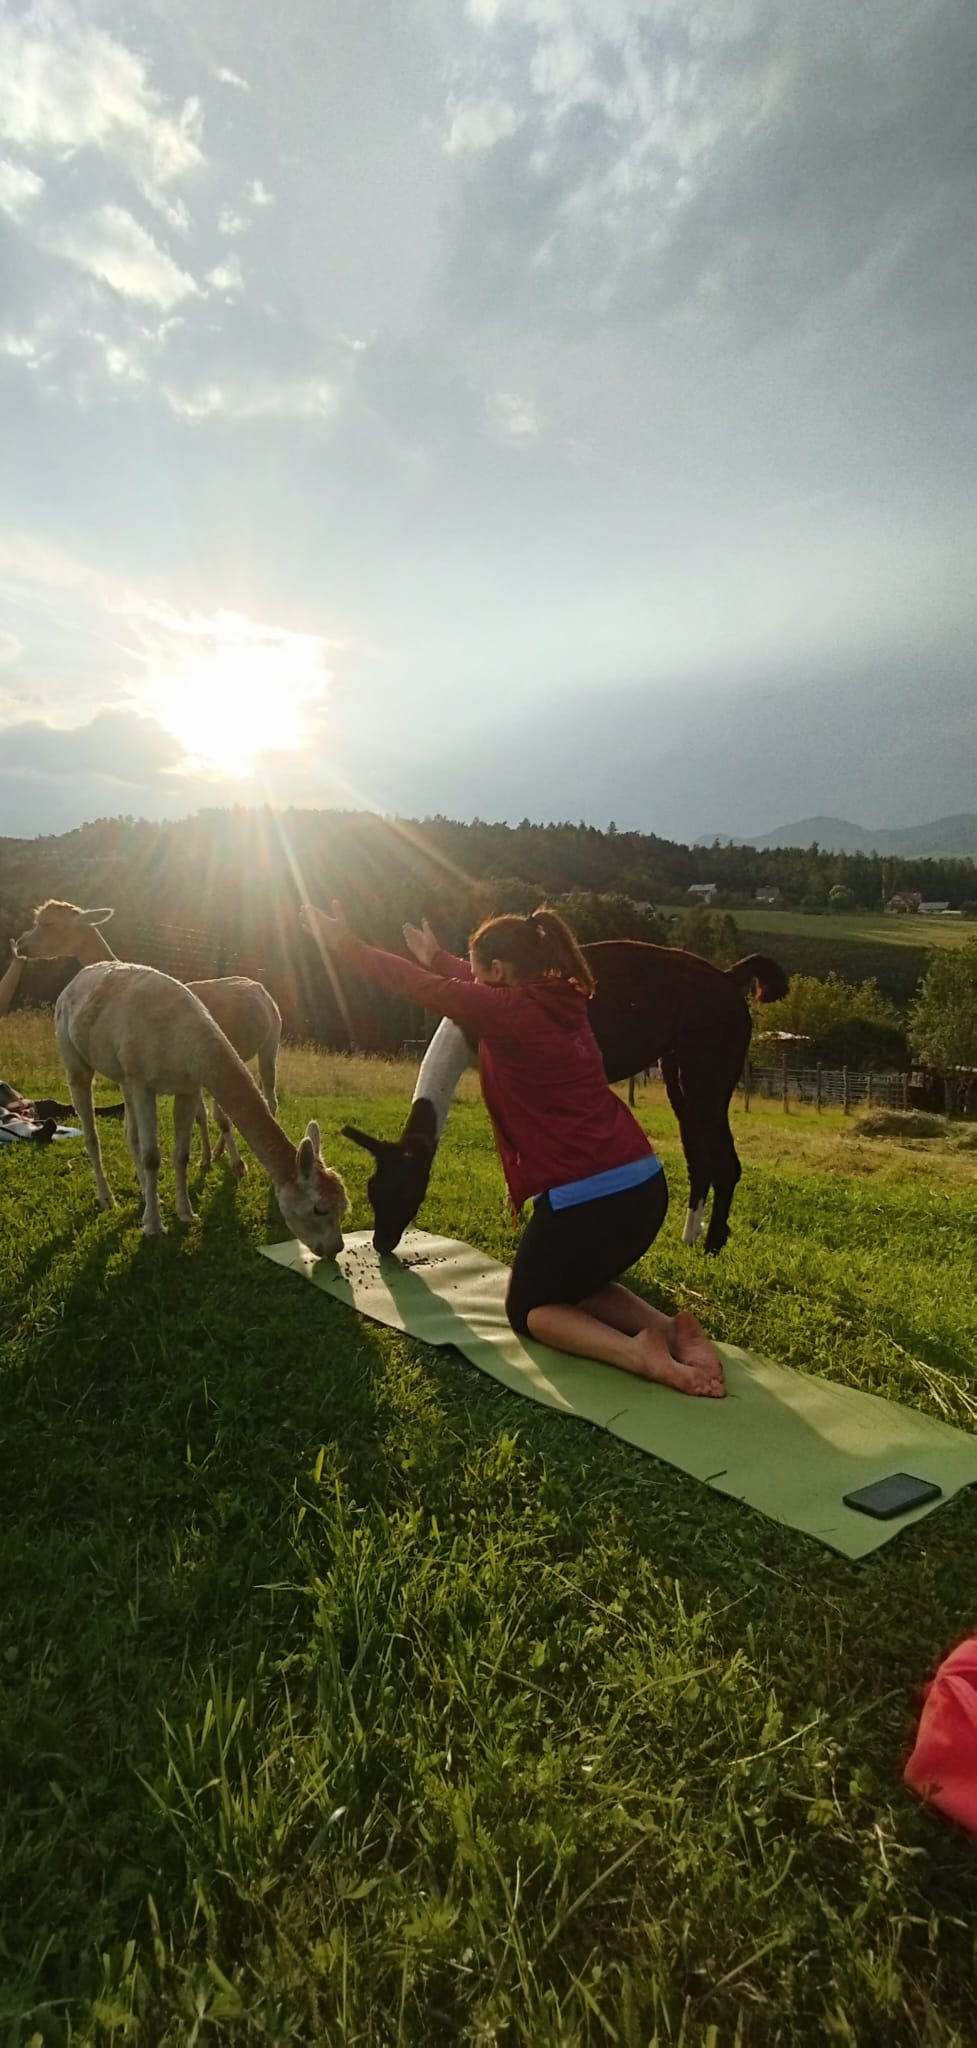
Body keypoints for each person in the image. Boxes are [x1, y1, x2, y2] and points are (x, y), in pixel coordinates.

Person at [300, 899, 724, 1398]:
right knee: (570, 1284)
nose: (473, 980)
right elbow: (463, 982)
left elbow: (418, 986)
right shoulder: (563, 995)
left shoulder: (505, 1012)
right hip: (644, 1188)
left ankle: (641, 1354)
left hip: (589, 1201)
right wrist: (437, 957)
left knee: (530, 1309)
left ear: (500, 971)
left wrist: (343, 944)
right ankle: (674, 1330)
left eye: (479, 971)